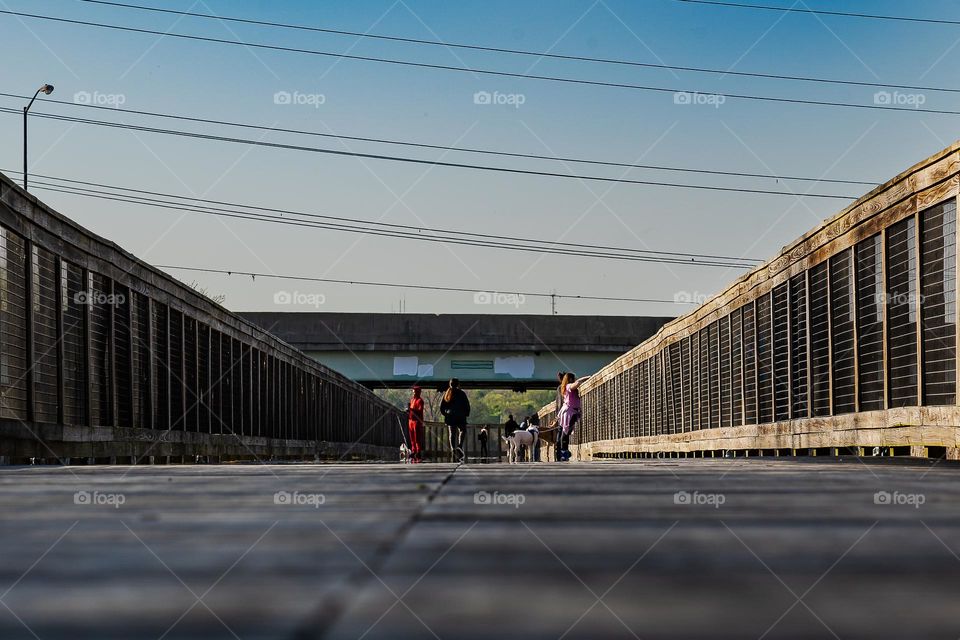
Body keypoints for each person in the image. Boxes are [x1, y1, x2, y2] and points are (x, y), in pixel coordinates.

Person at [554, 372, 588, 462]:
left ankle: (563, 452)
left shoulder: (566, 387)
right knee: (565, 433)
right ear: (570, 379)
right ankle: (563, 452)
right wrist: (587, 377)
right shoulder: (569, 386)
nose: (575, 379)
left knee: (565, 433)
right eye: (573, 378)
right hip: (569, 412)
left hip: (571, 411)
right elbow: (576, 384)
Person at [439, 378, 470, 462]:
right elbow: (467, 405)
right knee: (462, 430)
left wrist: (445, 414)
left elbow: (441, 407)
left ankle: (453, 449)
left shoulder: (447, 394)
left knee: (452, 433)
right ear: (458, 384)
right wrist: (466, 414)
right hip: (460, 415)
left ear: (450, 384)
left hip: (450, 416)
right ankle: (459, 446)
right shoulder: (462, 393)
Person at [407, 385, 424, 463]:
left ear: (418, 393)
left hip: (417, 421)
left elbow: (419, 411)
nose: (413, 393)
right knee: (412, 437)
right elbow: (411, 410)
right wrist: (408, 411)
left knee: (417, 437)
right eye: (413, 392)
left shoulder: (420, 401)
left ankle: (418, 451)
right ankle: (413, 450)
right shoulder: (412, 400)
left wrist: (411, 409)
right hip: (411, 421)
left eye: (414, 392)